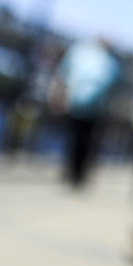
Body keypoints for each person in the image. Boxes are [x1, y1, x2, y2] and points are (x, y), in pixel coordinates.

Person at [49, 37, 121, 189]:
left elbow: (63, 74)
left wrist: (59, 97)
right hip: (94, 110)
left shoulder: (80, 53)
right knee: (86, 142)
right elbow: (114, 88)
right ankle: (77, 175)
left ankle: (70, 172)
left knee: (73, 139)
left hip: (76, 104)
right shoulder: (111, 63)